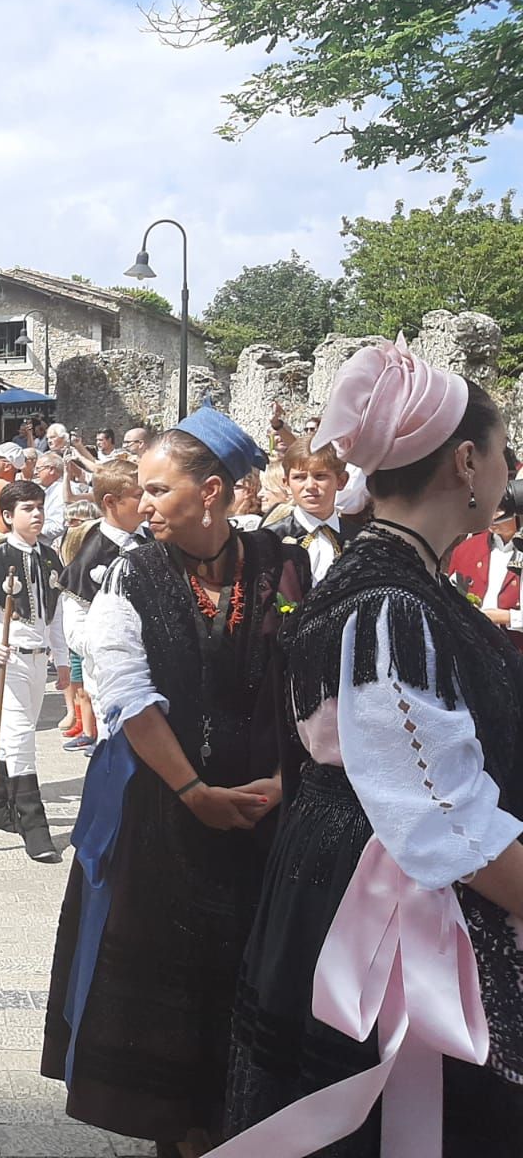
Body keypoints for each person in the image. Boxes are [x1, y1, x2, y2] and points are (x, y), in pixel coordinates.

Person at [224, 341, 523, 1152]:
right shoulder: (392, 604)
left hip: (341, 884)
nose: (508, 468)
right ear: (467, 461)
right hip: (396, 924)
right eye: (504, 450)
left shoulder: (384, 582)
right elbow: (437, 819)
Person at [41, 403, 307, 1153]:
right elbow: (124, 694)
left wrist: (286, 783)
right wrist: (195, 791)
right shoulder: (133, 570)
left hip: (270, 810)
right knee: (177, 993)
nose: (145, 504)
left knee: (254, 976)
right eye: (145, 491)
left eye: (160, 490)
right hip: (169, 809)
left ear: (212, 492)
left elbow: (313, 682)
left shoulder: (283, 561)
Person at [0, 482, 71, 862]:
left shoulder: (51, 558)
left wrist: (61, 658)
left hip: (38, 657)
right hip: (5, 658)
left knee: (15, 735)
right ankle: (34, 825)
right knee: (20, 732)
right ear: (8, 516)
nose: (37, 514)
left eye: (40, 507)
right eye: (28, 508)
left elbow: (55, 614)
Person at [57, 461, 148, 758]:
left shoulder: (152, 541)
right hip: (112, 671)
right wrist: (111, 647)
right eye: (138, 494)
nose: (147, 501)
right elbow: (75, 627)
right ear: (110, 502)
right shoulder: (90, 556)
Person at [261, 434, 352, 584]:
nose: (310, 486)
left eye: (320, 476)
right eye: (300, 477)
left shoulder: (357, 539)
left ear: (341, 481)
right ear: (286, 483)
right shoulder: (271, 539)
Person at [448, 500, 523, 651]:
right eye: (489, 509)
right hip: (473, 650)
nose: (492, 516)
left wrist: (506, 617)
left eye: (500, 510)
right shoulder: (466, 549)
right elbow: (449, 596)